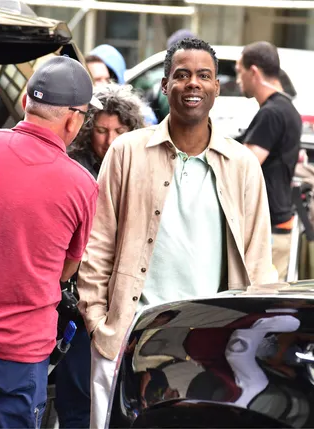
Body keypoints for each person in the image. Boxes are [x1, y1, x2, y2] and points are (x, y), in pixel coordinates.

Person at [77, 37, 273, 429]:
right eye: (181, 75)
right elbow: (97, 246)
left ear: (218, 86)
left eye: (204, 75)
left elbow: (258, 262)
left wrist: (251, 342)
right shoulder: (127, 152)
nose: (193, 84)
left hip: (213, 343)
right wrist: (100, 324)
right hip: (130, 337)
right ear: (165, 86)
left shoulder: (242, 165)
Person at [0, 55, 102, 429]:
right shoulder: (81, 185)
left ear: (25, 103)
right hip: (21, 355)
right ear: (74, 119)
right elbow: (66, 270)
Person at [54, 83, 145, 429]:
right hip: (78, 298)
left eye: (120, 131)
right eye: (103, 131)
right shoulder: (75, 168)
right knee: (76, 392)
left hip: (124, 296)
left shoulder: (139, 166)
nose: (110, 140)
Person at [235, 41, 302, 281]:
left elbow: (243, 167)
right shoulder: (286, 109)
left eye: (239, 71)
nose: (237, 80)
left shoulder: (271, 114)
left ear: (253, 71)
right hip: (276, 225)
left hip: (268, 230)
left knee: (259, 310)